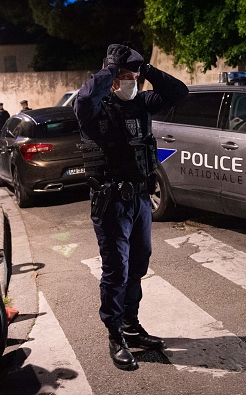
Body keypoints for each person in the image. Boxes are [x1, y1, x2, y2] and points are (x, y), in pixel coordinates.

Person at [73, 44, 188, 371]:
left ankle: (131, 324)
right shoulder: (95, 110)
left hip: (139, 200)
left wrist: (146, 70)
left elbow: (178, 92)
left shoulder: (141, 103)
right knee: (116, 271)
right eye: (125, 78)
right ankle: (115, 334)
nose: (131, 83)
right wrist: (112, 69)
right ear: (111, 80)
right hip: (111, 204)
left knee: (138, 265)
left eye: (134, 78)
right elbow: (83, 99)